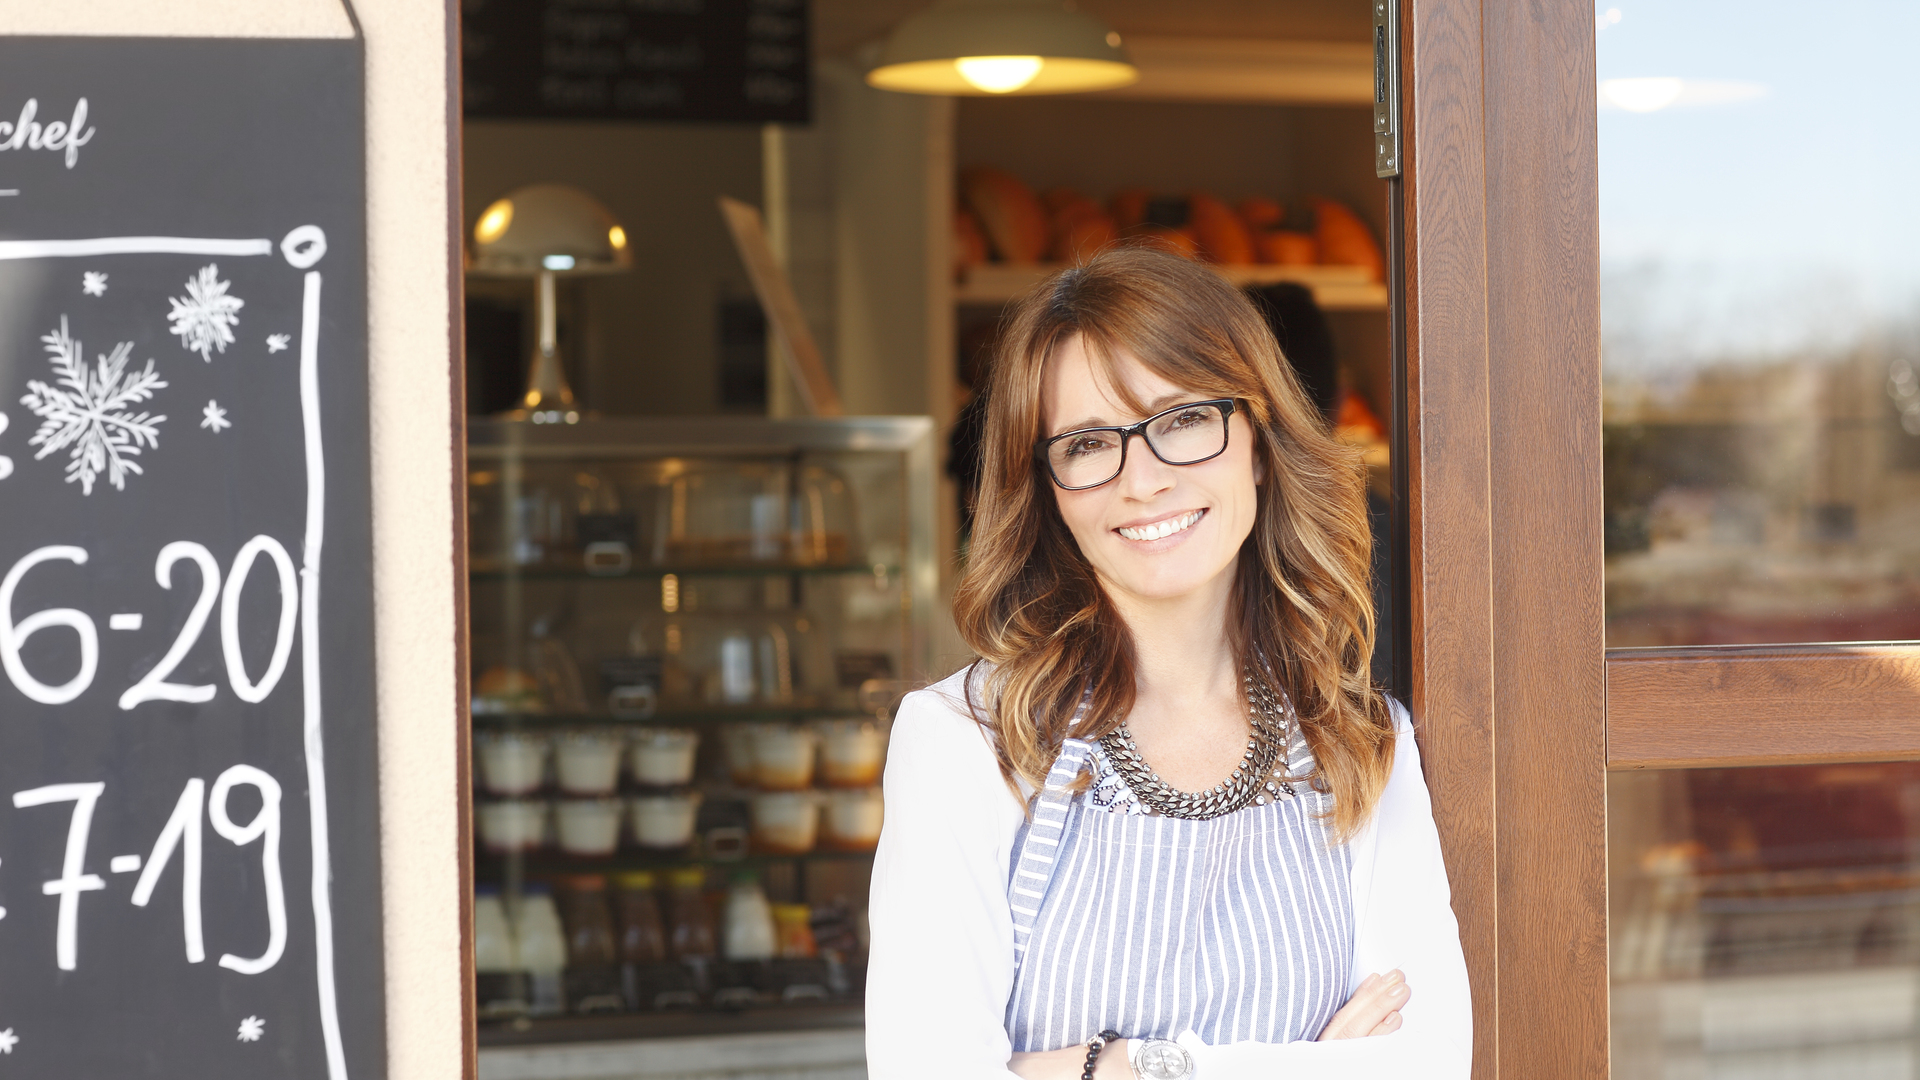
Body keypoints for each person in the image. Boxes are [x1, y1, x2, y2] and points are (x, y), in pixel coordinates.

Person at [865, 246, 1469, 1079]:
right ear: (1044, 489)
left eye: (1183, 420)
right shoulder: (964, 742)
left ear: (1257, 442)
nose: (1141, 480)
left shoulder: (1362, 739)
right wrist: (1306, 1065)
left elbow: (1428, 1063)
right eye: (1086, 444)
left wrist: (1101, 1067)